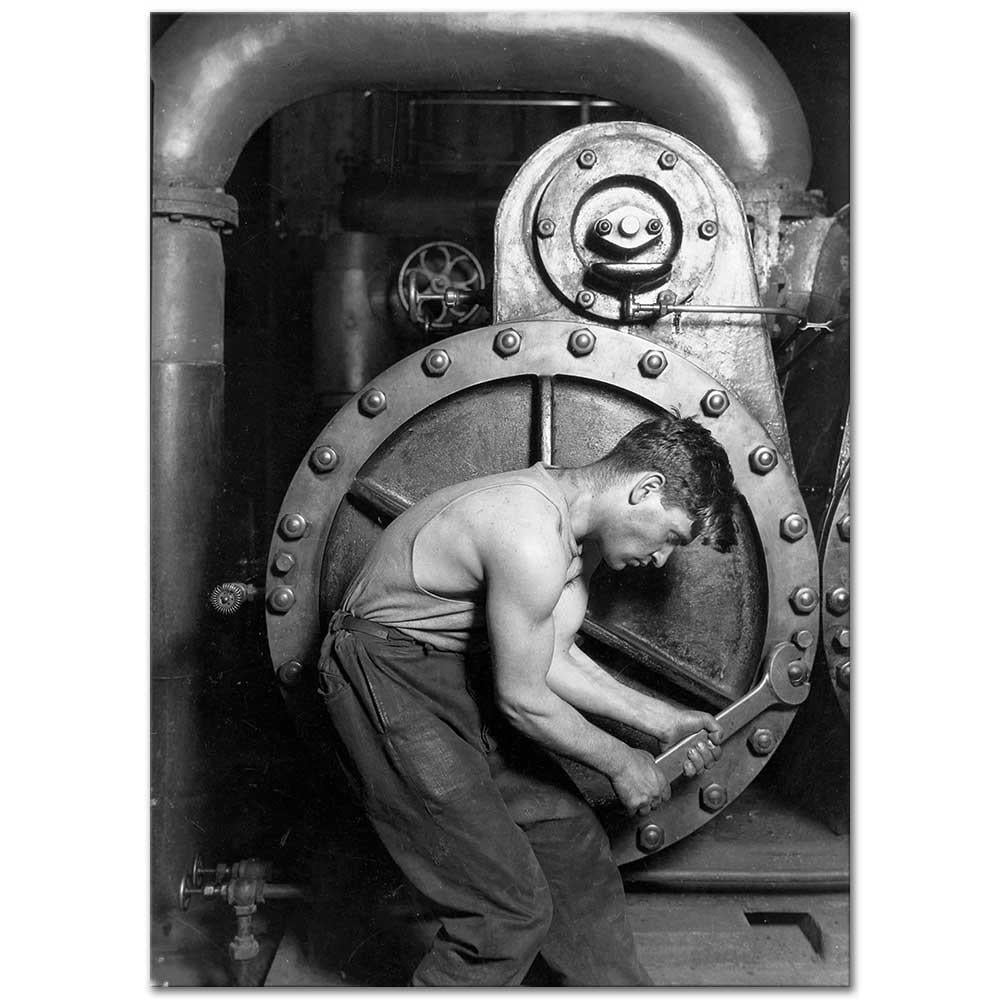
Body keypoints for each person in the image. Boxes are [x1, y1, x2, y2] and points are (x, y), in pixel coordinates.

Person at [316, 413, 738, 986]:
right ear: (645, 489)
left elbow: (553, 658)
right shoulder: (528, 531)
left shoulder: (575, 537)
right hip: (384, 676)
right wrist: (623, 761)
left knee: (571, 848)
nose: (662, 560)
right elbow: (521, 698)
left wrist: (663, 720)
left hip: (448, 673)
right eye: (671, 537)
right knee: (505, 911)